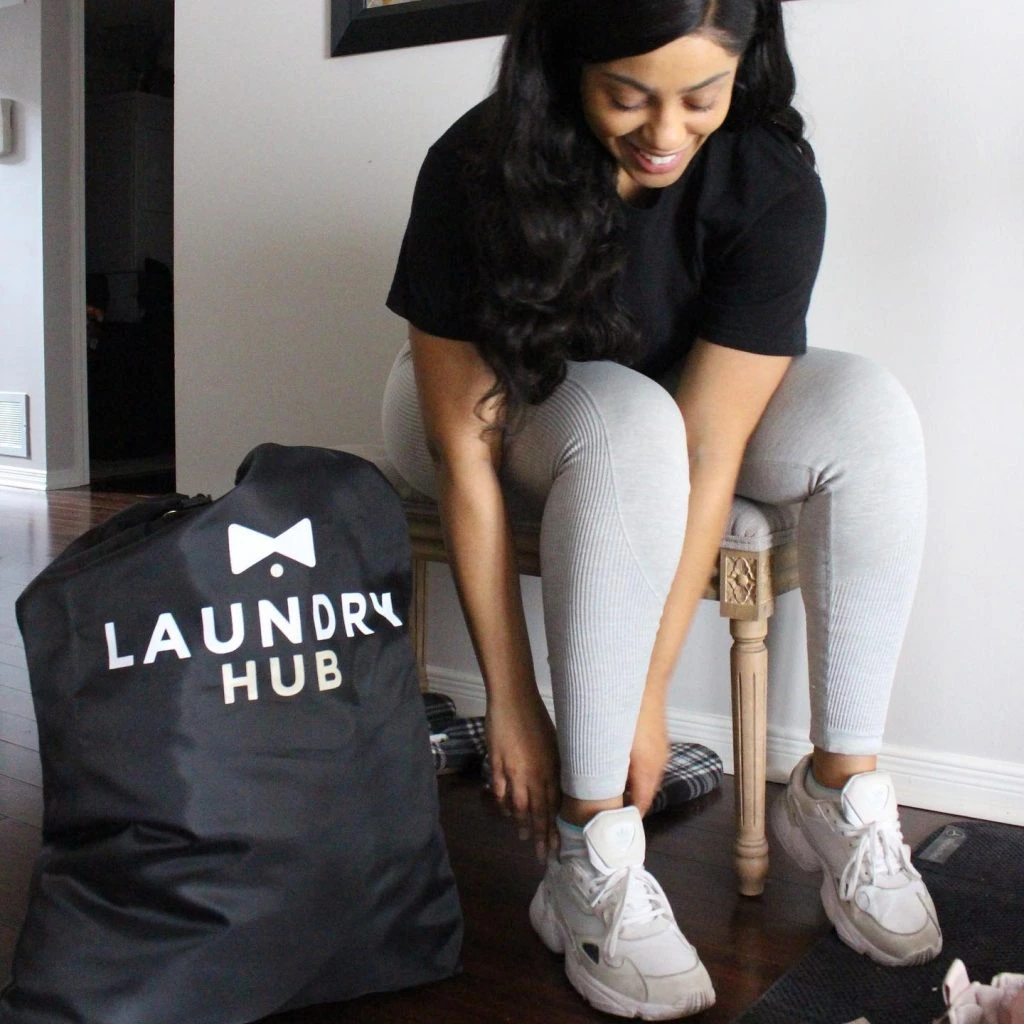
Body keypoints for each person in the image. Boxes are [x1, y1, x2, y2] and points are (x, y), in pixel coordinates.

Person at [382, 0, 941, 1018]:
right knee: (627, 421)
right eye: (627, 98)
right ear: (566, 65)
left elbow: (708, 442)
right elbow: (462, 451)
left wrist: (646, 692)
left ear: (745, 67)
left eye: (700, 97)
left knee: (868, 413)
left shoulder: (769, 176)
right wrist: (511, 702)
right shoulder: (473, 166)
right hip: (490, 407)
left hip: (662, 411)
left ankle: (838, 789)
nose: (666, 133)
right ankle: (587, 849)